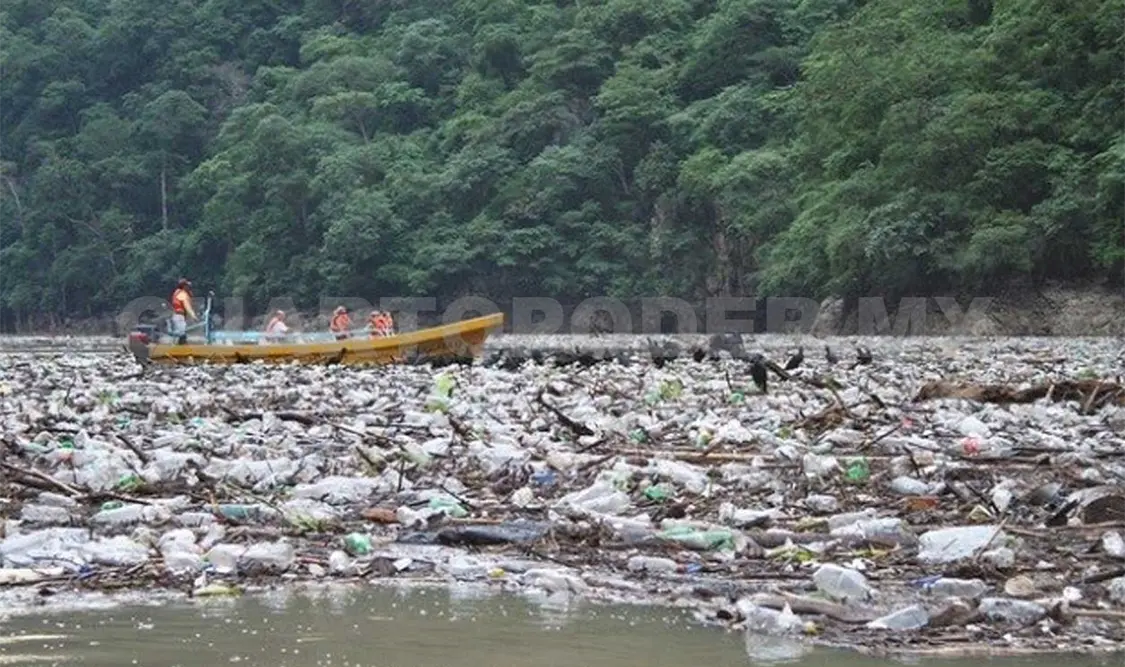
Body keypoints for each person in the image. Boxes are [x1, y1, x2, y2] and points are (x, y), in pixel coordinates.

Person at [169, 279, 196, 344]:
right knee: (182, 336)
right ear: (184, 286)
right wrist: (193, 315)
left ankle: (179, 350)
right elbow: (187, 306)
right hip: (179, 317)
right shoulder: (182, 294)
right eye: (187, 286)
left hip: (177, 316)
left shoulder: (177, 292)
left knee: (180, 336)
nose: (189, 287)